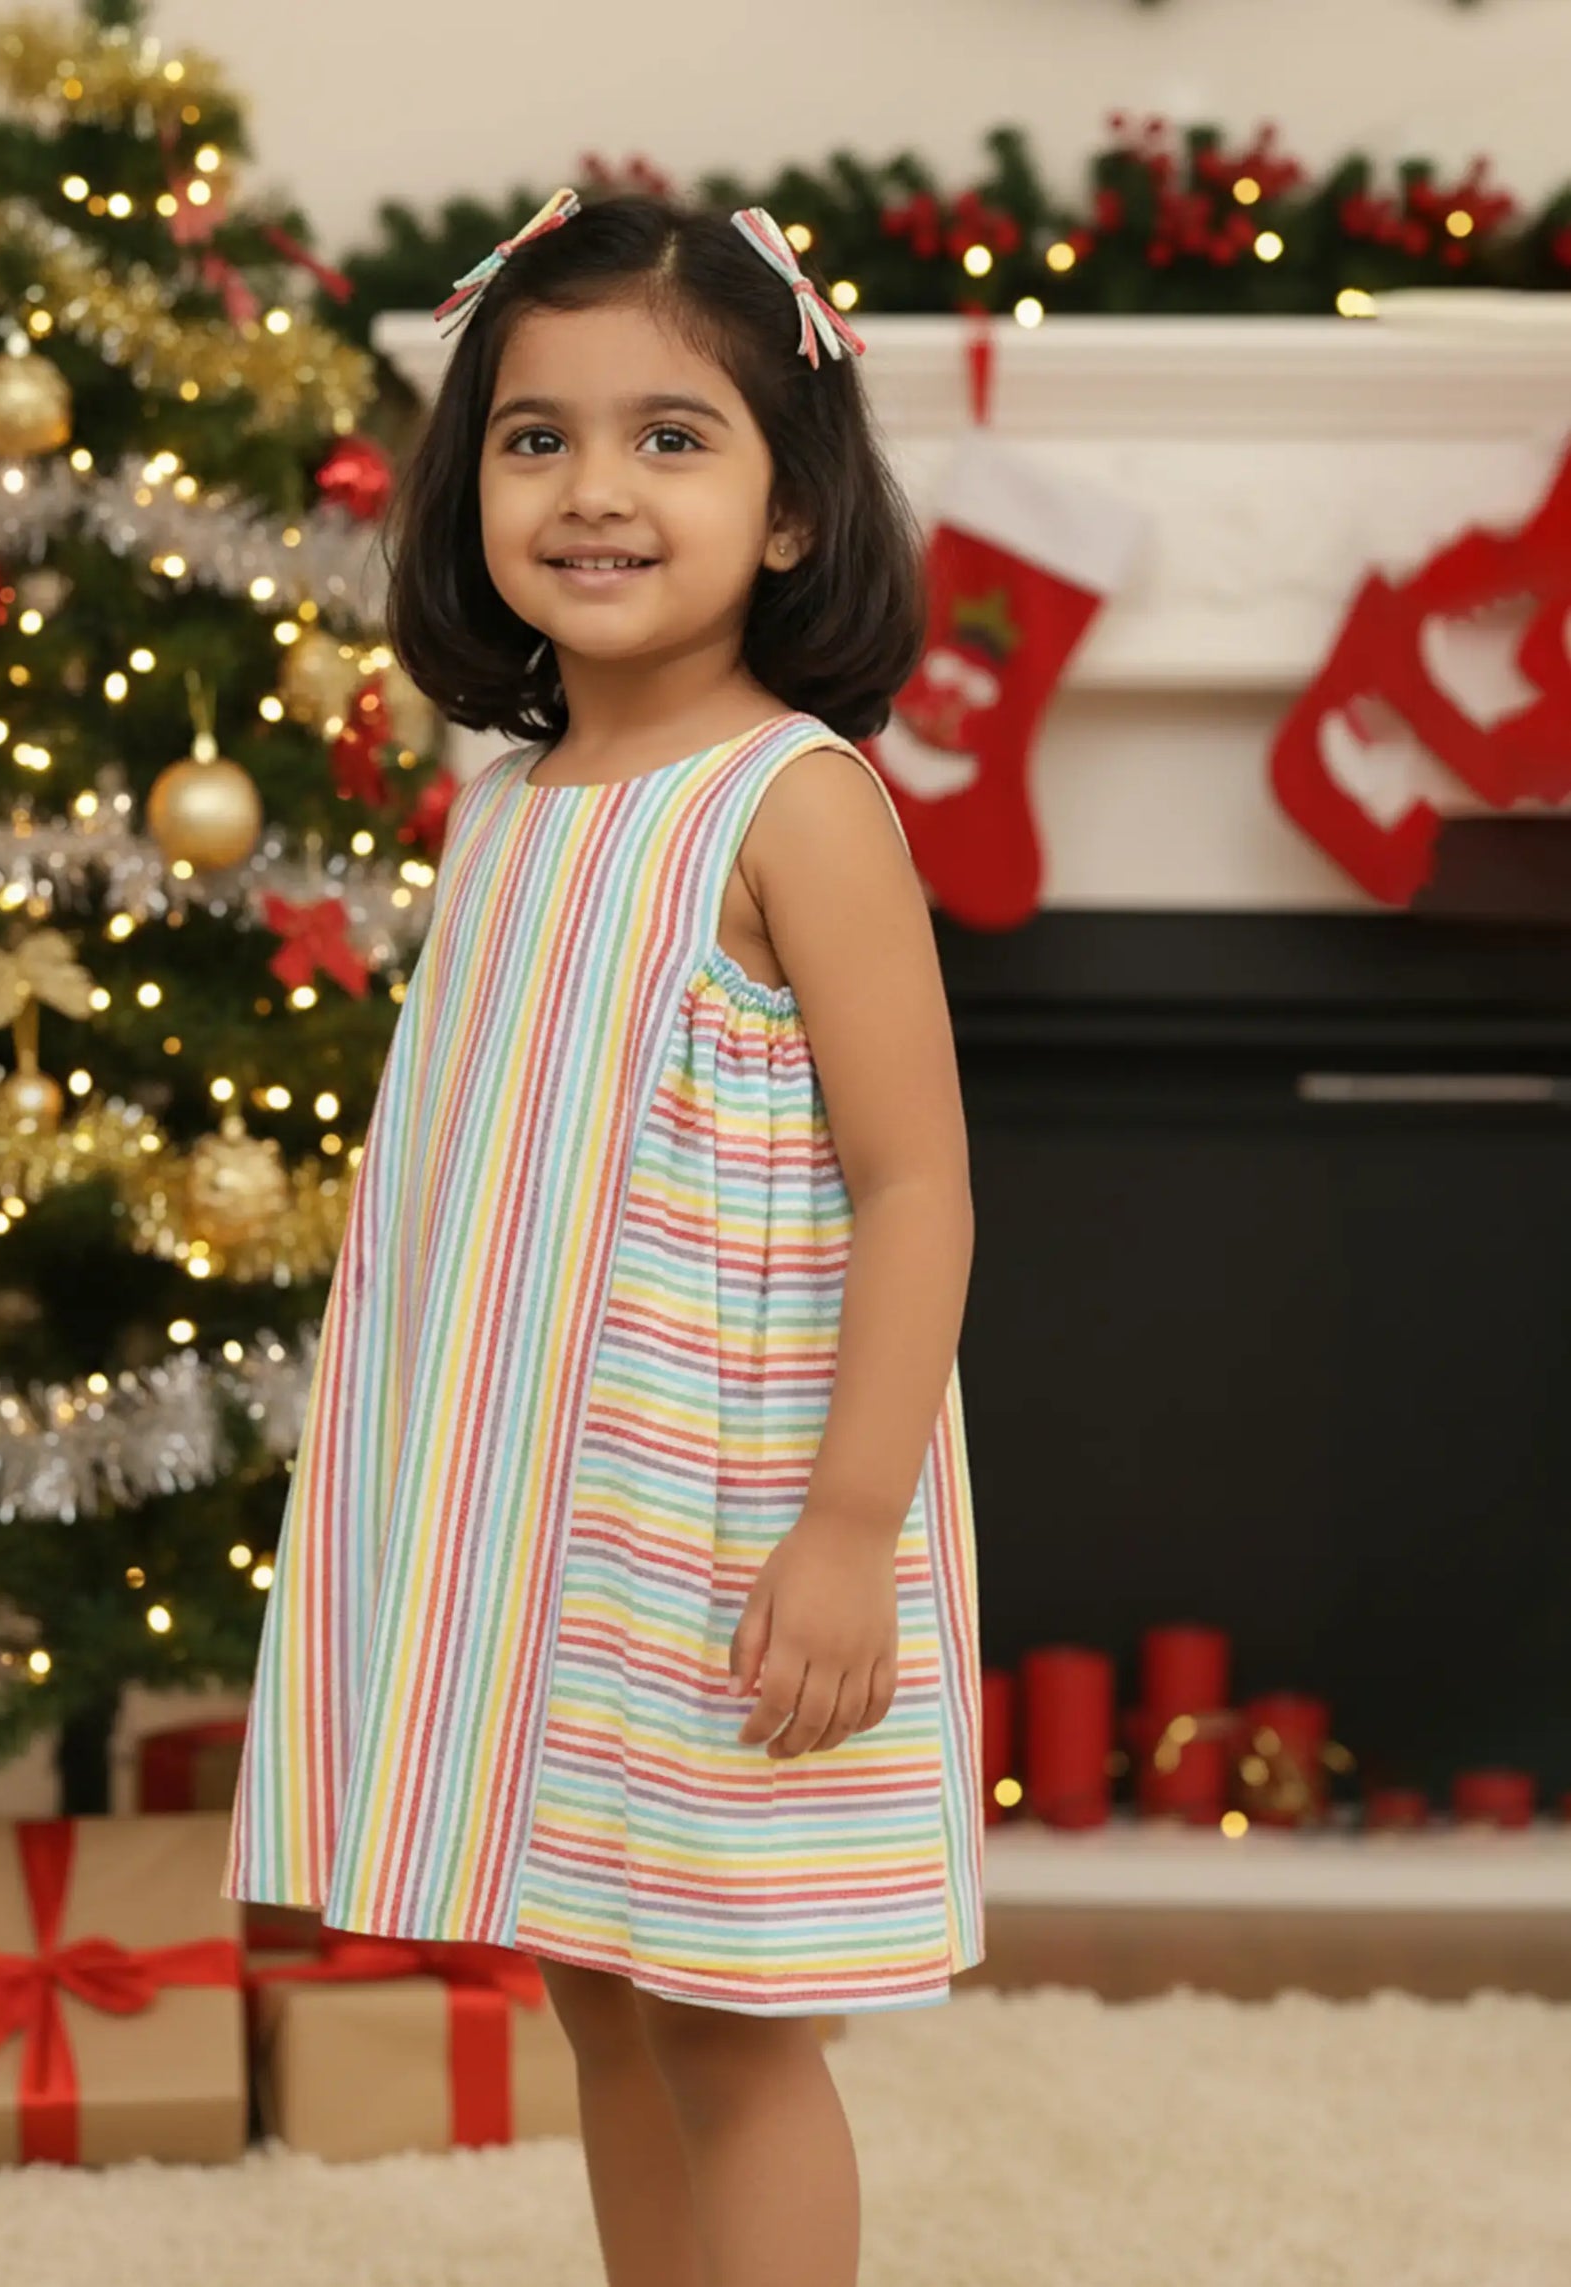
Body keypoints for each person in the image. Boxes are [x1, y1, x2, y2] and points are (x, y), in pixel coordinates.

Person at [227, 186, 983, 2287]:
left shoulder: (795, 804)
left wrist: (844, 1529)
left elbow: (916, 1182)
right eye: (534, 435)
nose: (592, 487)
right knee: (592, 1976)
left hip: (727, 1523)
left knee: (735, 2019)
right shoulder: (509, 804)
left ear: (792, 513)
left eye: (672, 437)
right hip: (537, 1522)